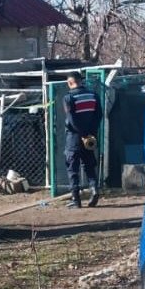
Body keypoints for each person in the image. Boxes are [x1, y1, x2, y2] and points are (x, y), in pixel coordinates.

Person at [63, 71, 102, 208]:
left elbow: (72, 120)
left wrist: (81, 133)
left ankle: (76, 199)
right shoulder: (93, 96)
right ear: (81, 81)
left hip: (73, 138)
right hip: (90, 137)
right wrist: (90, 133)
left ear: (70, 83)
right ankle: (94, 189)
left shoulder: (69, 98)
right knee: (89, 164)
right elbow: (99, 115)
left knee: (72, 167)